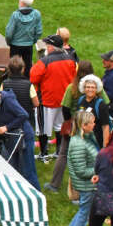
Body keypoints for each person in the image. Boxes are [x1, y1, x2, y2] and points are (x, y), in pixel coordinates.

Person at [45, 60, 109, 192]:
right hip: (91, 129)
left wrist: (69, 122)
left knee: (64, 155)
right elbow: (107, 102)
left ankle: (55, 184)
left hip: (74, 126)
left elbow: (65, 107)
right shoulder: (97, 89)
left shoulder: (71, 88)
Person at [0, 80, 40, 190]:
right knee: (14, 168)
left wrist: (6, 127)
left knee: (28, 169)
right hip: (14, 137)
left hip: (25, 135)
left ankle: (37, 194)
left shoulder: (8, 100)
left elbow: (23, 115)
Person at [29, 34, 77, 162]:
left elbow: (33, 78)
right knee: (59, 126)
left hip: (46, 100)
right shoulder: (71, 60)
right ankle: (59, 152)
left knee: (42, 128)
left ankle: (43, 154)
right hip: (63, 101)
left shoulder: (44, 61)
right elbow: (74, 77)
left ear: (51, 47)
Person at [64, 111, 98, 226]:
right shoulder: (79, 144)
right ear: (84, 126)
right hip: (86, 184)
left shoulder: (86, 137)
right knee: (85, 213)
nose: (94, 124)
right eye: (92, 122)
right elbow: (82, 171)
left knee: (82, 210)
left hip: (87, 183)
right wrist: (98, 170)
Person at [0, 55, 39, 144]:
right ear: (23, 69)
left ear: (9, 69)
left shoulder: (4, 84)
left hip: (9, 118)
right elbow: (36, 103)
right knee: (26, 140)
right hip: (26, 117)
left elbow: (0, 101)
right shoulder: (28, 84)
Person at [5, 0, 42, 76]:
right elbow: (39, 31)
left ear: (21, 3)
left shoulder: (15, 15)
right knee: (27, 67)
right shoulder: (36, 14)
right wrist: (33, 40)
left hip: (15, 45)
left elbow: (9, 32)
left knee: (13, 67)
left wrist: (9, 42)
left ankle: (12, 83)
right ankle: (26, 84)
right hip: (28, 45)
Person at [75, 74, 111, 148]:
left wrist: (105, 146)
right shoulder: (80, 100)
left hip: (96, 142)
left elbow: (106, 127)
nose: (90, 90)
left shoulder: (101, 105)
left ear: (97, 89)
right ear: (83, 88)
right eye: (88, 87)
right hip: (82, 140)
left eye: (93, 87)